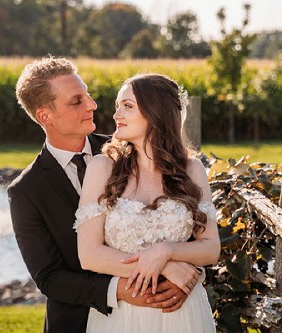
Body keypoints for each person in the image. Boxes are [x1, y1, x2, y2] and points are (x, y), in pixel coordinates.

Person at [8, 57, 199, 333]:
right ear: (44, 116)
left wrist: (188, 274)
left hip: (165, 313)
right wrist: (120, 289)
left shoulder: (131, 148)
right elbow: (50, 277)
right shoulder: (26, 191)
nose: (92, 105)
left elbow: (185, 222)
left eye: (87, 94)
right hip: (79, 323)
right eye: (76, 101)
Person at [75, 73, 221, 332]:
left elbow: (211, 249)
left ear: (156, 112)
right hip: (124, 316)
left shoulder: (192, 169)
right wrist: (165, 269)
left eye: (127, 106)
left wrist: (165, 252)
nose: (116, 114)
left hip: (183, 314)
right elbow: (89, 255)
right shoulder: (102, 167)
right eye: (117, 106)